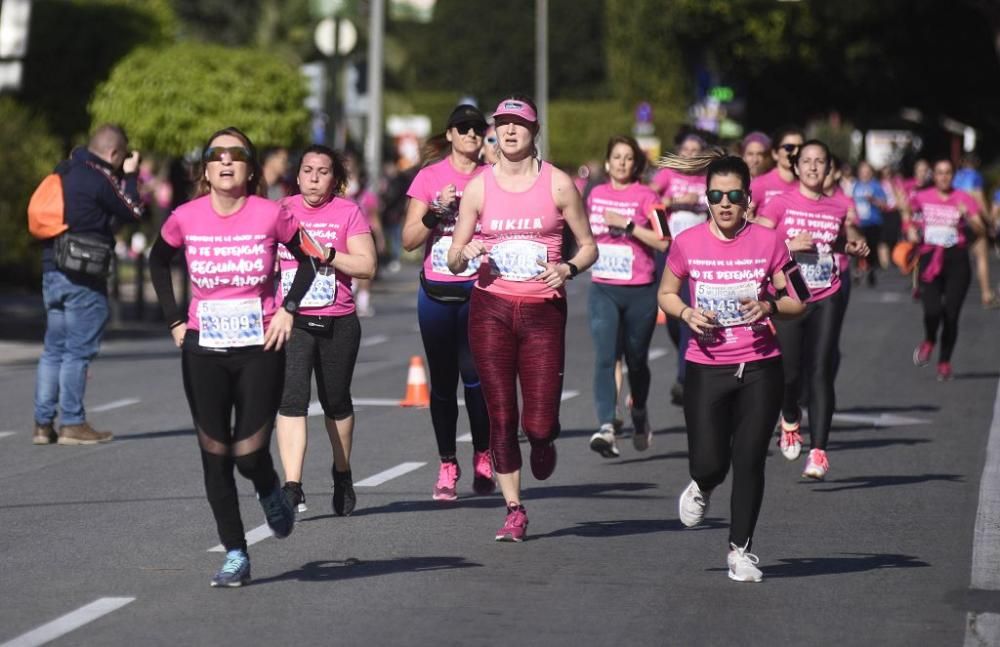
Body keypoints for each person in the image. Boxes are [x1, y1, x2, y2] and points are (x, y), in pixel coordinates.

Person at [149, 126, 318, 588]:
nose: (226, 162)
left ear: (249, 168)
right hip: (203, 347)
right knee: (215, 454)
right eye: (216, 155)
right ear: (205, 170)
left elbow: (310, 259)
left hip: (259, 347)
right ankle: (236, 552)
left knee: (247, 452)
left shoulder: (271, 215)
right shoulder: (184, 216)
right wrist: (175, 321)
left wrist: (287, 309)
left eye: (236, 155)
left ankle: (269, 490)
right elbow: (157, 260)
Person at [448, 95, 597, 541]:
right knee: (500, 415)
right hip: (490, 307)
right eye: (504, 125)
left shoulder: (557, 184)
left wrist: (568, 268)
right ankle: (514, 507)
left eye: (520, 124)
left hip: (542, 310)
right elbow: (453, 258)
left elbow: (588, 245)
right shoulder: (479, 187)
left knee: (538, 421)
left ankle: (545, 437)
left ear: (535, 132)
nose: (510, 131)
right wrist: (465, 252)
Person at [658, 152, 804, 582]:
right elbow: (667, 292)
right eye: (716, 195)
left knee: (750, 458)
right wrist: (685, 313)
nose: (724, 203)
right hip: (706, 366)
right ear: (706, 198)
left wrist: (769, 305)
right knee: (708, 462)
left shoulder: (769, 242)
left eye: (733, 195)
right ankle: (703, 485)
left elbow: (800, 301)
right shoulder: (687, 243)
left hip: (760, 365)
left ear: (748, 201)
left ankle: (740, 551)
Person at [757, 140, 870, 481]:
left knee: (820, 369)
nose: (813, 167)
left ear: (829, 168)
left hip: (826, 293)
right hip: (790, 299)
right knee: (790, 373)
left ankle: (819, 452)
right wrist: (789, 245)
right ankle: (790, 416)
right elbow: (757, 245)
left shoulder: (837, 207)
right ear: (797, 166)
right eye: (806, 161)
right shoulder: (780, 204)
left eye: (820, 161)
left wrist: (851, 246)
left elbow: (836, 241)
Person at [274, 145, 376, 517]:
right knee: (292, 399)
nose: (314, 178)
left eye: (323, 171)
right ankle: (292, 486)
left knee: (336, 402)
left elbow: (367, 266)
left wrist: (328, 255)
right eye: (308, 170)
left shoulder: (348, 212)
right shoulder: (281, 212)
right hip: (293, 320)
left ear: (336, 179)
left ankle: (343, 472)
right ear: (297, 175)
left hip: (338, 320)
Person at [401, 104, 494, 501]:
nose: (472, 134)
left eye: (477, 129)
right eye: (464, 128)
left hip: (479, 291)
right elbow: (406, 241)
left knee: (476, 378)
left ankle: (484, 456)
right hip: (437, 294)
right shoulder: (429, 177)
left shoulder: (493, 178)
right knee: (442, 383)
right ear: (451, 134)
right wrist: (436, 211)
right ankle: (447, 463)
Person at [32, 124, 144, 446]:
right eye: (122, 158)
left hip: (52, 270)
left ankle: (43, 424)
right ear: (113, 154)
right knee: (78, 352)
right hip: (83, 276)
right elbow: (134, 210)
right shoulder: (100, 177)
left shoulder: (64, 169)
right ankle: (72, 423)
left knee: (53, 349)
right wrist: (133, 176)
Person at [585, 135, 668, 458]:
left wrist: (629, 226)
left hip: (640, 291)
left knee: (636, 361)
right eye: (616, 157)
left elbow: (664, 241)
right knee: (607, 356)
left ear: (636, 164)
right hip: (603, 286)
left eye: (628, 158)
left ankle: (640, 409)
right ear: (607, 162)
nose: (621, 162)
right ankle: (606, 425)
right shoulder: (595, 194)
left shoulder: (649, 196)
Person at [906, 158, 986, 380]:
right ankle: (930, 339)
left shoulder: (964, 198)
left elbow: (981, 229)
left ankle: (944, 362)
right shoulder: (923, 197)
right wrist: (910, 230)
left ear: (953, 175)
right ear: (934, 175)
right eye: (939, 172)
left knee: (951, 314)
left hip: (956, 259)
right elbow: (909, 217)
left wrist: (968, 217)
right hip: (930, 256)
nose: (943, 176)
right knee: (932, 310)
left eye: (947, 172)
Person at [650, 133, 709, 406]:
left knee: (687, 309)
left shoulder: (708, 178)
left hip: (698, 254)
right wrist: (673, 203)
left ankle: (684, 378)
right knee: (673, 317)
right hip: (670, 249)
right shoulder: (667, 175)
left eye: (695, 150)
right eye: (685, 149)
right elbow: (650, 203)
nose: (689, 154)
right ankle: (684, 353)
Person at [952, 153, 998, 308]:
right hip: (973, 219)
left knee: (956, 258)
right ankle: (986, 294)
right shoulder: (975, 176)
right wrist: (989, 220)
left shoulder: (956, 176)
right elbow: (979, 199)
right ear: (976, 162)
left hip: (956, 219)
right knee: (981, 257)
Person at [344, 151, 381, 317]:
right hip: (343, 236)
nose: (348, 167)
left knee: (365, 270)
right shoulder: (336, 192)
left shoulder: (366, 194)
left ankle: (363, 303)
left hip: (363, 236)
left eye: (351, 164)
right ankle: (348, 299)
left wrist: (380, 238)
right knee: (348, 271)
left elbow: (373, 217)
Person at [748, 126, 805, 218]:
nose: (796, 152)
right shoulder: (759, 184)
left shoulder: (808, 186)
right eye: (789, 148)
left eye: (801, 147)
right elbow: (743, 220)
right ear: (775, 153)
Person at [851, 161, 889, 286]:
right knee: (857, 246)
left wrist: (873, 200)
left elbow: (884, 204)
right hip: (858, 222)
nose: (864, 174)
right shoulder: (856, 185)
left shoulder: (876, 186)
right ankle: (857, 270)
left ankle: (871, 270)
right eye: (862, 172)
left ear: (871, 173)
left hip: (873, 222)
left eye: (867, 172)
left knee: (870, 248)